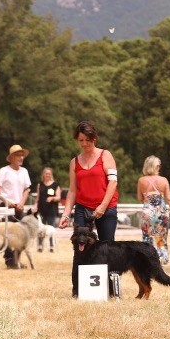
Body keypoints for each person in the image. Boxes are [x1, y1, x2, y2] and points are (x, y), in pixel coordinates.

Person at [59, 121, 119, 297]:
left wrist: (102, 206)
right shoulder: (74, 162)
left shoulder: (105, 155)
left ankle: (111, 289)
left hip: (106, 208)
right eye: (81, 140)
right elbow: (72, 190)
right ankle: (78, 290)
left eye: (88, 140)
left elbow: (113, 182)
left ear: (95, 138)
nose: (84, 144)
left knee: (107, 248)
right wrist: (65, 214)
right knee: (79, 249)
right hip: (82, 208)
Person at [0, 144, 32, 267]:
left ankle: (16, 260)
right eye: (18, 155)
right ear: (12, 157)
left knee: (22, 235)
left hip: (19, 207)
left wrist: (22, 203)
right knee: (7, 235)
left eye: (22, 155)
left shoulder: (24, 171)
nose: (21, 158)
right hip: (5, 208)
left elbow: (27, 189)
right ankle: (10, 261)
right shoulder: (4, 171)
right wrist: (6, 201)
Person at [136, 155, 170, 264]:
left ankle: (147, 261)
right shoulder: (163, 180)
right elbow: (169, 198)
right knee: (160, 237)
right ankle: (162, 259)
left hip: (147, 213)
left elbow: (140, 198)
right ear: (157, 166)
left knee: (147, 238)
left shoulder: (141, 180)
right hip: (161, 212)